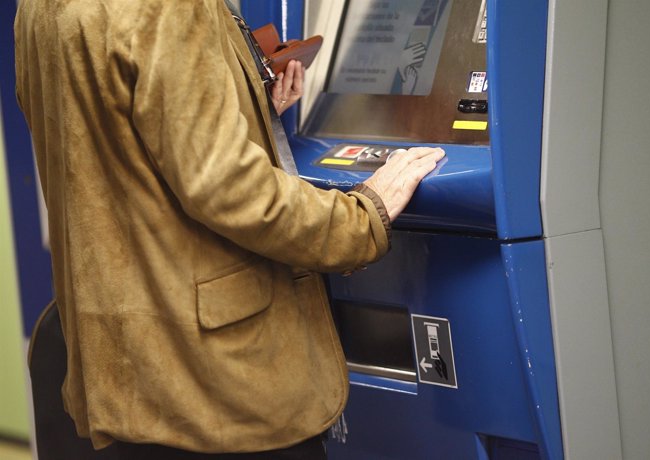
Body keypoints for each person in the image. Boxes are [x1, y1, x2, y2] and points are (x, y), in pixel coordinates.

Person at [14, 0, 445, 458]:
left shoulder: (36, 8)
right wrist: (361, 218)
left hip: (129, 368)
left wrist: (239, 106)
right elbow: (228, 188)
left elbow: (114, 142)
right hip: (217, 382)